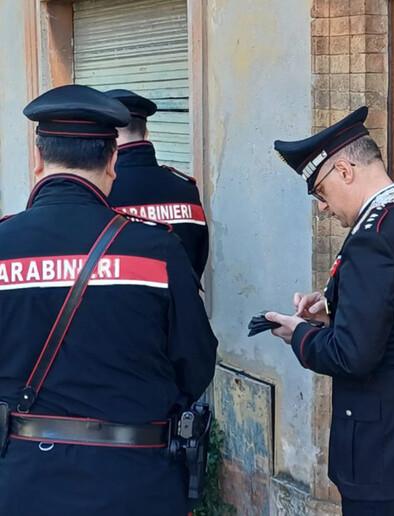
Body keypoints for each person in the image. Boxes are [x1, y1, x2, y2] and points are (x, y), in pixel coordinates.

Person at [0, 84, 217, 516]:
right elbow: (195, 363)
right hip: (136, 482)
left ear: (38, 158)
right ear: (113, 160)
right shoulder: (157, 250)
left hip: (22, 481)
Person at [267, 106, 394, 516]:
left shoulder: (373, 239)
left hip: (386, 454)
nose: (323, 207)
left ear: (345, 171)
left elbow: (353, 355)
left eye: (321, 192)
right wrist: (335, 311)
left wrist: (300, 334)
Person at [104, 89, 209, 279]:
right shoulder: (185, 189)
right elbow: (199, 257)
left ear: (105, 138)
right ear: (147, 133)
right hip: (185, 305)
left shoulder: (101, 190)